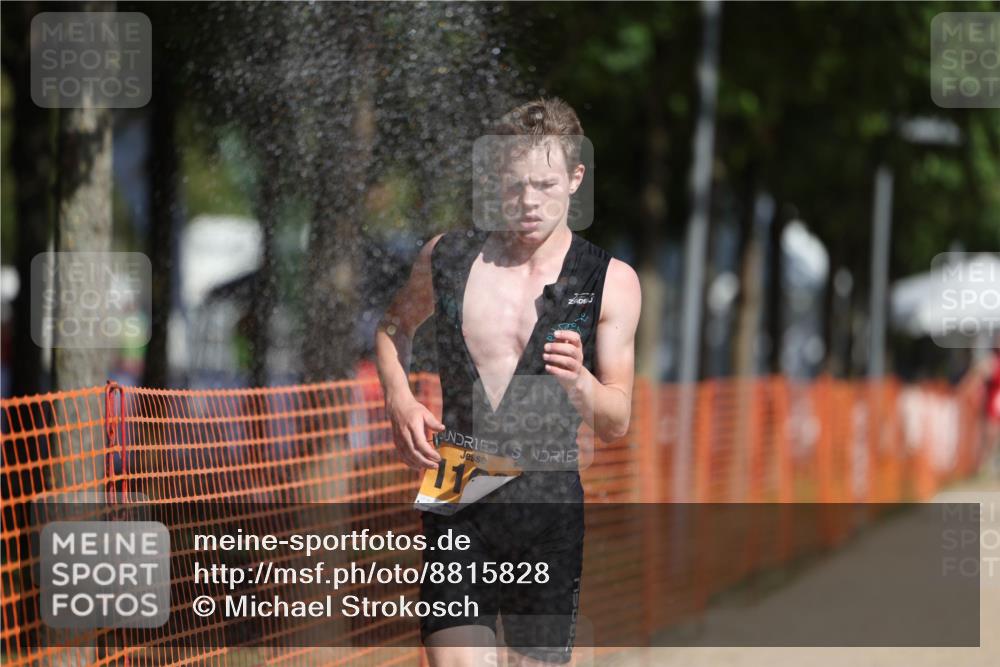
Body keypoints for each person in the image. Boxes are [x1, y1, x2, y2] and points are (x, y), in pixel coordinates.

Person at [374, 97, 641, 666]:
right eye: (515, 185)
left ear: (574, 179)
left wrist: (581, 386)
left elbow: (617, 422)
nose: (528, 202)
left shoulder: (610, 281)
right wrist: (399, 400)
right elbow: (394, 327)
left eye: (544, 185)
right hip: (458, 483)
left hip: (548, 503)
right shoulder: (447, 257)